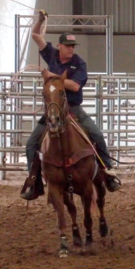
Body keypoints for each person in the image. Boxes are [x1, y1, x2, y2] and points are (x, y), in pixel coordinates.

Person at [20, 11, 121, 201]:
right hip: (53, 108)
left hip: (73, 108)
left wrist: (53, 78)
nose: (71, 49)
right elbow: (35, 36)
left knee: (96, 134)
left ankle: (108, 171)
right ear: (59, 46)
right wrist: (40, 21)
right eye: (68, 46)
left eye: (73, 46)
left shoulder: (79, 64)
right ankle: (35, 181)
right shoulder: (51, 54)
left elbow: (75, 86)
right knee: (32, 143)